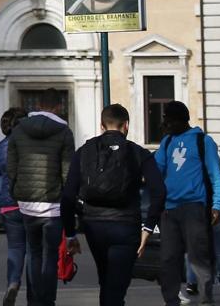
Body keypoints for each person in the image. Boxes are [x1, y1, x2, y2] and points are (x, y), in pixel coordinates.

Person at [61, 104, 166, 306]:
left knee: (106, 281)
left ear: (101, 125)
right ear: (126, 125)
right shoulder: (138, 153)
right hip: (126, 226)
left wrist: (71, 234)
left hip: (93, 225)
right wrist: (148, 227)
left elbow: (68, 195)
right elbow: (159, 191)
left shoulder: (84, 152)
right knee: (116, 287)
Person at [155, 100, 220, 306]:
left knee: (199, 255)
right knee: (169, 258)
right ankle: (170, 299)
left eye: (170, 121)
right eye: (165, 121)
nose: (167, 125)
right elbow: (156, 170)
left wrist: (216, 205)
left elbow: (216, 175)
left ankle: (206, 296)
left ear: (182, 120)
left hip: (194, 207)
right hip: (169, 210)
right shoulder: (167, 142)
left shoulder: (202, 141)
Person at [8, 98, 74, 306]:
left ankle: (35, 300)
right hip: (53, 205)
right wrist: (66, 196)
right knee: (51, 255)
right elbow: (67, 170)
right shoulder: (64, 133)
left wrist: (16, 190)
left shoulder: (19, 130)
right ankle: (48, 300)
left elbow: (12, 166)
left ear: (37, 107)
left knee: (34, 253)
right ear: (57, 108)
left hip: (27, 203)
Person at [0, 107, 29, 306]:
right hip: (28, 202)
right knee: (33, 249)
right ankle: (34, 290)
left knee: (15, 248)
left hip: (8, 203)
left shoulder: (0, 147)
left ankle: (13, 283)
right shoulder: (27, 144)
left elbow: (0, 171)